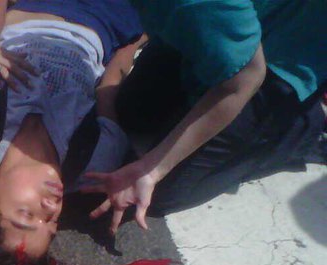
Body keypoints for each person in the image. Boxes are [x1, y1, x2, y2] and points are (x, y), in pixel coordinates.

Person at [0, 0, 144, 265]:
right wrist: (143, 30)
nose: (51, 208)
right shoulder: (93, 162)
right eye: (51, 223)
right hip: (107, 19)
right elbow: (112, 77)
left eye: (27, 213)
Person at [83, 0, 327, 235]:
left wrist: (152, 169)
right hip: (229, 23)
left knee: (160, 194)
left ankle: (297, 130)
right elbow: (128, 39)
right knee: (131, 111)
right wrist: (109, 119)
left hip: (285, 61)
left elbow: (246, 79)